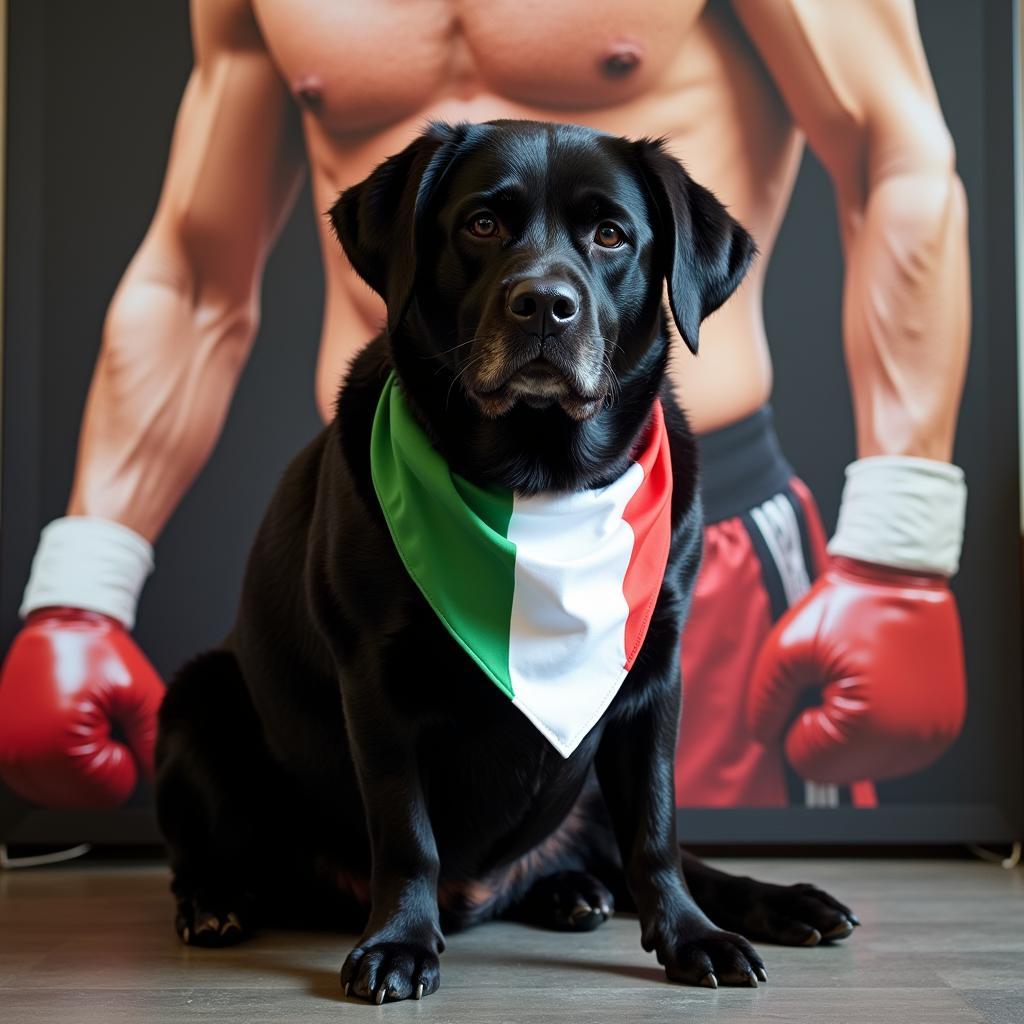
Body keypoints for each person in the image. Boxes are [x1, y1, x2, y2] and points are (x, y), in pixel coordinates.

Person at [0, 0, 969, 812]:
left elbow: (897, 155)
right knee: (392, 900)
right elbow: (197, 272)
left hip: (663, 546)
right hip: (400, 532)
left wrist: (898, 555)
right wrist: (84, 587)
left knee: (709, 943)